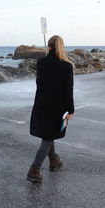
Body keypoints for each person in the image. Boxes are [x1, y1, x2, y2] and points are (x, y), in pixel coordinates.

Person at [27, 35, 75, 182]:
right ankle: (34, 170)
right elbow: (68, 90)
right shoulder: (66, 66)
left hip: (41, 103)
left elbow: (39, 84)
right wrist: (70, 110)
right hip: (57, 106)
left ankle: (54, 160)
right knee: (48, 137)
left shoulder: (41, 63)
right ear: (61, 47)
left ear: (49, 46)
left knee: (49, 134)